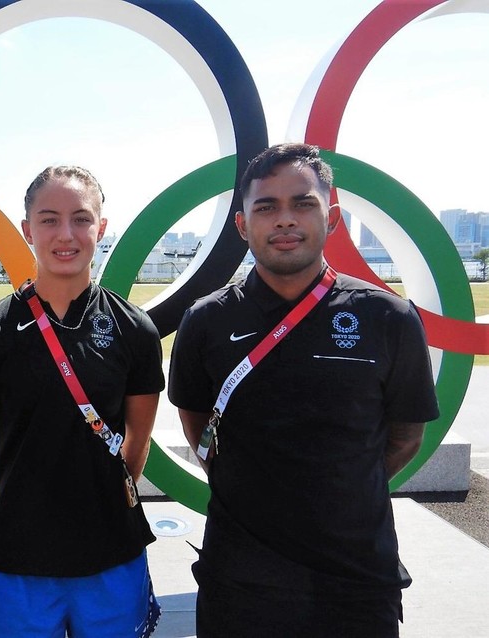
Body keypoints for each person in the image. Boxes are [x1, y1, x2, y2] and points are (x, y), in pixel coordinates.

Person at [168, 143, 439, 638]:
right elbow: (198, 425)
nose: (284, 220)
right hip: (240, 583)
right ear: (242, 225)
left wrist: (340, 489)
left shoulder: (388, 317)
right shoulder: (206, 320)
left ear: (331, 216)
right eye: (266, 207)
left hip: (355, 582)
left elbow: (406, 437)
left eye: (303, 203)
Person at [0, 166, 164, 637]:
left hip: (112, 548)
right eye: (48, 219)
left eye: (81, 219)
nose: (65, 234)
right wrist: (34, 493)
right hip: (18, 552)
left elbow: (137, 443)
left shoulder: (135, 330)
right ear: (27, 229)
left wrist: (94, 492)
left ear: (101, 228)